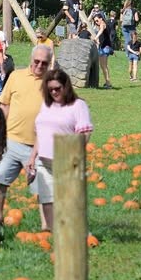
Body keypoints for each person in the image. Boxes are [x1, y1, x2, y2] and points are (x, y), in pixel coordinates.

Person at [0, 45, 52, 226]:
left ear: (50, 63)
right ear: (30, 59)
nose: (40, 65)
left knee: (43, 188)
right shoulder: (16, 77)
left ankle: (46, 228)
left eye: (44, 63)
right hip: (12, 141)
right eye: (37, 61)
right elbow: (4, 106)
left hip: (39, 147)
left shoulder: (53, 82)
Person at [28, 68, 93, 231]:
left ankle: (74, 234)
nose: (54, 92)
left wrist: (74, 155)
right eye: (50, 89)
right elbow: (41, 133)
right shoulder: (46, 105)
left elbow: (85, 133)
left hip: (65, 159)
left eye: (57, 88)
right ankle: (52, 234)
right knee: (47, 200)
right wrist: (32, 157)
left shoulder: (78, 105)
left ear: (66, 86)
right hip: (43, 160)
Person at [94, 14, 113, 89]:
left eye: (97, 20)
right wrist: (98, 41)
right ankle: (107, 82)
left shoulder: (103, 24)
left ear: (101, 18)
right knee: (103, 66)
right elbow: (103, 36)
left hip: (105, 47)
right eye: (95, 21)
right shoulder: (102, 24)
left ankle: (108, 83)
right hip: (103, 47)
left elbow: (101, 30)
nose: (96, 22)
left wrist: (96, 37)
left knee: (104, 66)